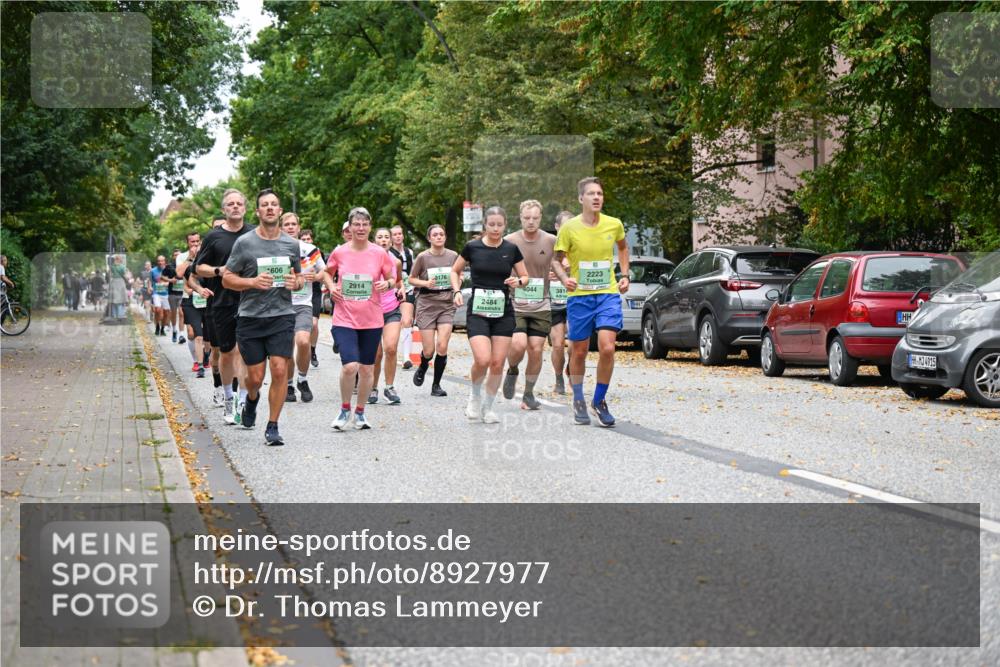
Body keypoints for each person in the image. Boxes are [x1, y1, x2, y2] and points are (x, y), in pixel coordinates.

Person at [222, 189, 302, 446]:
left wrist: (295, 282)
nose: (270, 208)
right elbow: (227, 279)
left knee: (279, 370)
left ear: (279, 211)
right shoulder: (244, 243)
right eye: (264, 205)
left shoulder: (291, 244)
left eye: (274, 204)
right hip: (251, 317)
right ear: (257, 212)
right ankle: (252, 400)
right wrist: (252, 282)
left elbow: (298, 278)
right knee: (255, 378)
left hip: (282, 315)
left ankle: (273, 426)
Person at [551, 177, 630, 427]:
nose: (597, 197)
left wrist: (625, 275)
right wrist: (564, 278)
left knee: (607, 347)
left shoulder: (613, 224)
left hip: (607, 292)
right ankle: (577, 398)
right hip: (580, 297)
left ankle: (599, 400)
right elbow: (556, 259)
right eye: (591, 194)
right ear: (581, 199)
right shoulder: (569, 228)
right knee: (580, 350)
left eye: (600, 193)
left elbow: (623, 248)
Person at [451, 207, 530, 423]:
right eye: (491, 224)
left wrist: (519, 281)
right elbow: (454, 270)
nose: (495, 228)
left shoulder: (511, 249)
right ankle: (475, 396)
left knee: (497, 363)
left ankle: (488, 407)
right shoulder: (472, 247)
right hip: (478, 311)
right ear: (485, 225)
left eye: (499, 225)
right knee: (483, 359)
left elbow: (525, 277)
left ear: (505, 225)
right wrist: (457, 290)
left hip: (503, 311)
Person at [324, 207, 396, 431]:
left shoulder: (379, 253)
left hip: (372, 319)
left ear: (370, 227)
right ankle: (345, 409)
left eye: (365, 224)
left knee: (366, 370)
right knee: (350, 367)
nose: (361, 228)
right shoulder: (340, 252)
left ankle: (360, 413)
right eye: (357, 224)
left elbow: (393, 277)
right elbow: (327, 272)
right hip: (344, 318)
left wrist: (388, 284)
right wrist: (331, 286)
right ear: (350, 227)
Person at [194, 190, 255, 425]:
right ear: (224, 210)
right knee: (227, 353)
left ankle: (241, 400)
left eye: (240, 203)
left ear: (246, 208)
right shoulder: (213, 237)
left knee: (244, 352)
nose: (235, 207)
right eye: (231, 204)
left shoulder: (253, 234)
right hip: (222, 302)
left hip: (250, 300)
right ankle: (228, 397)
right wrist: (219, 271)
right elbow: (199, 268)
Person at [502, 199, 557, 410]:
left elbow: (563, 262)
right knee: (518, 345)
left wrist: (559, 273)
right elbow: (501, 266)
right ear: (520, 217)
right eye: (527, 218)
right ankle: (512, 369)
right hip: (516, 303)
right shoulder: (509, 240)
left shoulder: (551, 240)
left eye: (535, 218)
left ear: (541, 218)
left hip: (541, 303)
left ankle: (528, 394)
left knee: (536, 349)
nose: (531, 222)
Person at [280, 213, 333, 403]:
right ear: (281, 227)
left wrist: (316, 277)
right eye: (286, 224)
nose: (291, 227)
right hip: (280, 304)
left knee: (303, 341)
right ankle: (289, 384)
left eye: (294, 224)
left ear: (298, 226)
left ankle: (302, 378)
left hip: (303, 303)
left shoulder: (310, 250)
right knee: (286, 348)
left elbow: (325, 271)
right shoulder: (274, 248)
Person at [408, 224, 459, 397]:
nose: (439, 237)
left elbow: (457, 275)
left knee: (442, 346)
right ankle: (423, 365)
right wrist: (425, 283)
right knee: (429, 350)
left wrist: (457, 290)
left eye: (441, 234)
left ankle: (436, 385)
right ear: (429, 238)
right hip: (427, 304)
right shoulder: (423, 257)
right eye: (435, 235)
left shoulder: (453, 256)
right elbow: (412, 279)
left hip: (446, 303)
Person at [370, 227, 405, 404]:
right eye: (380, 237)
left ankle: (389, 388)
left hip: (392, 309)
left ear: (391, 241)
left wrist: (402, 290)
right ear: (374, 240)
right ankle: (373, 388)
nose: (383, 240)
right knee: (376, 354)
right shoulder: (366, 260)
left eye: (386, 237)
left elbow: (398, 281)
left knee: (391, 348)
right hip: (372, 311)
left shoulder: (396, 261)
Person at [549, 211, 573, 394]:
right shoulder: (548, 248)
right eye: (564, 225)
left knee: (575, 345)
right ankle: (558, 379)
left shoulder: (579, 247)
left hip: (575, 300)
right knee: (557, 344)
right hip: (554, 302)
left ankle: (571, 371)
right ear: (557, 227)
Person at [177, 232, 206, 376]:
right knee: (192, 333)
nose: (195, 244)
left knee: (206, 334)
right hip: (189, 299)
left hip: (205, 298)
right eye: (192, 242)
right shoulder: (182, 257)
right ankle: (198, 362)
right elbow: (179, 274)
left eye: (197, 241)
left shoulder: (206, 254)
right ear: (187, 243)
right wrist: (190, 258)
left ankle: (203, 358)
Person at [388, 225, 416, 370]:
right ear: (391, 237)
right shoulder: (387, 253)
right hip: (392, 288)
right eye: (395, 234)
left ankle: (406, 357)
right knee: (390, 322)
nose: (398, 236)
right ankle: (389, 349)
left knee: (407, 320)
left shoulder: (409, 252)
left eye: (400, 234)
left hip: (408, 287)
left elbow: (413, 271)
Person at [298, 228, 323, 368]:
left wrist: (317, 276)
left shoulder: (316, 252)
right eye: (304, 239)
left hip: (314, 291)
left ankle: (312, 349)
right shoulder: (293, 251)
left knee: (313, 324)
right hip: (297, 293)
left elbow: (324, 272)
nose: (306, 241)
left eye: (309, 239)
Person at [150, 256, 173, 335]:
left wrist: (167, 283)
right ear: (157, 262)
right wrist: (149, 287)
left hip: (166, 294)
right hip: (156, 293)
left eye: (162, 261)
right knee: (158, 310)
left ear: (165, 261)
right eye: (158, 261)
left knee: (166, 313)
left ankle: (162, 328)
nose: (160, 262)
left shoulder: (169, 270)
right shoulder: (153, 271)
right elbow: (150, 281)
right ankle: (157, 327)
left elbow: (173, 280)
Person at [169, 248, 186, 344]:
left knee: (181, 313)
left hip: (182, 293)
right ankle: (174, 330)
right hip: (172, 293)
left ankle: (181, 335)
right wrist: (171, 280)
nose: (177, 256)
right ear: (173, 257)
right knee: (173, 313)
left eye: (179, 255)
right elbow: (163, 277)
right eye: (175, 255)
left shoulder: (185, 265)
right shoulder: (170, 267)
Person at [108, 255, 128, 320]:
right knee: (121, 299)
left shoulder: (112, 266)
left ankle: (114, 315)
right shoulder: (122, 266)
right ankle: (120, 315)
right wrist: (128, 279)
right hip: (120, 282)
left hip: (113, 282)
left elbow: (110, 274)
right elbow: (125, 275)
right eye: (120, 259)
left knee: (113, 299)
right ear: (119, 259)